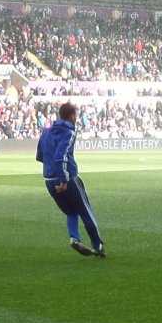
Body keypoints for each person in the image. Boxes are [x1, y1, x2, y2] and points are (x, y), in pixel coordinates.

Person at [36, 101, 106, 257]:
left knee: (70, 212)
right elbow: (60, 157)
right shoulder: (69, 132)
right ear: (72, 116)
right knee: (86, 212)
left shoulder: (46, 132)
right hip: (67, 179)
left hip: (48, 180)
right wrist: (64, 180)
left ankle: (74, 238)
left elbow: (40, 155)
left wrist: (52, 171)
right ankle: (98, 246)